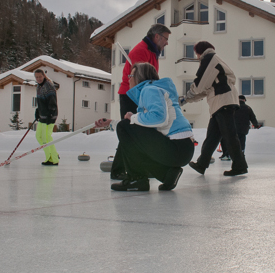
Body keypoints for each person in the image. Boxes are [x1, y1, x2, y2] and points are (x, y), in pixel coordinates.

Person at [95, 62, 194, 192]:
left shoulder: (149, 90)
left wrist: (132, 118)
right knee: (131, 134)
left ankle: (136, 179)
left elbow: (159, 118)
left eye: (131, 74)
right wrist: (112, 123)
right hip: (182, 148)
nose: (128, 78)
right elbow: (144, 128)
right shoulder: (155, 89)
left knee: (125, 128)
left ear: (139, 77)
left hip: (175, 147)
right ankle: (167, 174)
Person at [110, 24, 170, 180]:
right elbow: (139, 80)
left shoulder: (152, 52)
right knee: (131, 132)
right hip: (131, 95)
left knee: (138, 132)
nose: (167, 43)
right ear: (157, 37)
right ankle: (119, 169)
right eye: (165, 39)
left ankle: (135, 167)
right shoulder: (141, 51)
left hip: (139, 95)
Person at [182, 41, 248, 177]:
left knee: (230, 136)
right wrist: (187, 99)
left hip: (223, 102)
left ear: (199, 52)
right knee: (212, 137)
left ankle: (240, 166)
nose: (196, 57)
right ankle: (202, 164)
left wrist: (188, 95)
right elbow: (206, 88)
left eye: (196, 54)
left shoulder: (208, 59)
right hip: (222, 102)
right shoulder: (215, 60)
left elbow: (199, 84)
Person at [219, 95, 260, 160]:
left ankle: (228, 154)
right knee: (242, 140)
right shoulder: (248, 108)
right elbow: (253, 117)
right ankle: (241, 153)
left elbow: (227, 117)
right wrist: (256, 125)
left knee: (231, 141)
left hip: (234, 128)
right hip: (244, 128)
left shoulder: (233, 107)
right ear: (244, 100)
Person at [34, 69, 59, 166]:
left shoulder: (49, 86)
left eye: (40, 76)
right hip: (42, 115)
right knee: (39, 136)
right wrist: (37, 111)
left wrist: (50, 114)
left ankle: (53, 159)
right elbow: (41, 101)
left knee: (47, 137)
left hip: (50, 115)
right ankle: (53, 155)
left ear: (43, 76)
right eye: (36, 77)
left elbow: (52, 102)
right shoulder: (39, 87)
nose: (38, 79)